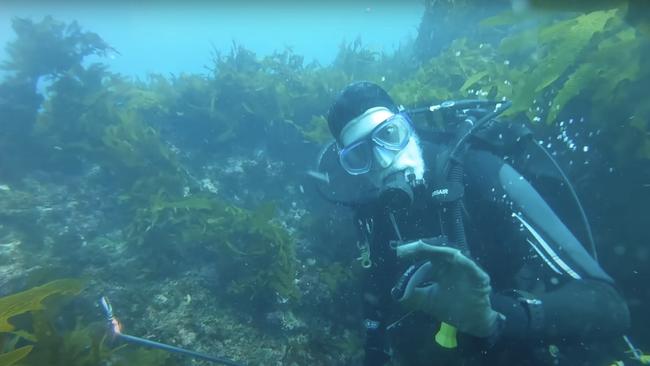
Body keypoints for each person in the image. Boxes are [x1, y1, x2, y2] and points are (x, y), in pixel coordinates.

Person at [315, 81, 630, 365]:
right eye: (359, 157)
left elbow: (609, 306)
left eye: (389, 135)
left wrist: (497, 318)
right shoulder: (379, 217)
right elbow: (376, 307)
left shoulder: (479, 173)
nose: (384, 161)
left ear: (408, 125)